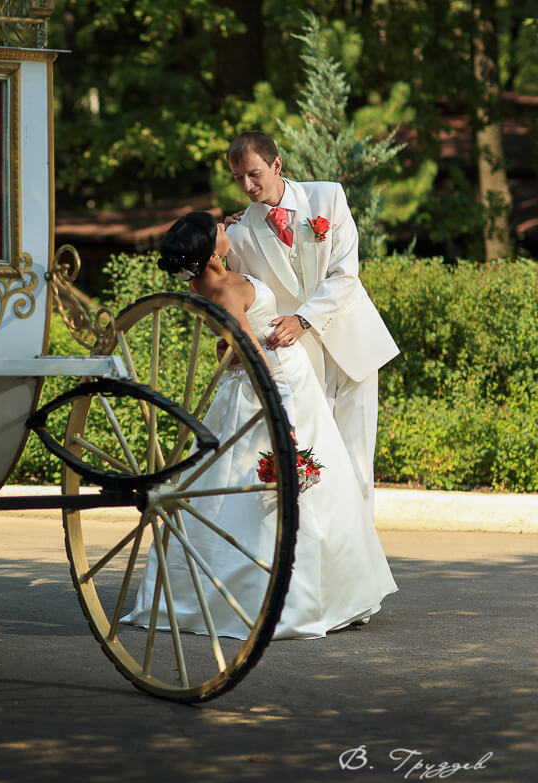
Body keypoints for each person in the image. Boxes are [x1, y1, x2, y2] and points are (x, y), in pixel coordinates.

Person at [125, 211, 397, 638]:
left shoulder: (205, 282)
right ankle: (299, 596)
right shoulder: (229, 290)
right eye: (219, 231)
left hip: (268, 377)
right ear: (211, 251)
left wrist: (225, 227)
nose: (226, 230)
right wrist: (279, 413)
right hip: (278, 382)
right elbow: (250, 356)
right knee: (291, 477)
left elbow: (225, 347)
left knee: (229, 477)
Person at [223, 131, 398, 514]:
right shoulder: (238, 234)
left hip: (353, 344)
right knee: (316, 457)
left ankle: (360, 560)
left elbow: (345, 274)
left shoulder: (328, 196)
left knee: (357, 458)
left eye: (254, 174)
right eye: (238, 178)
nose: (247, 186)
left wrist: (304, 318)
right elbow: (240, 296)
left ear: (276, 164)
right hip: (300, 362)